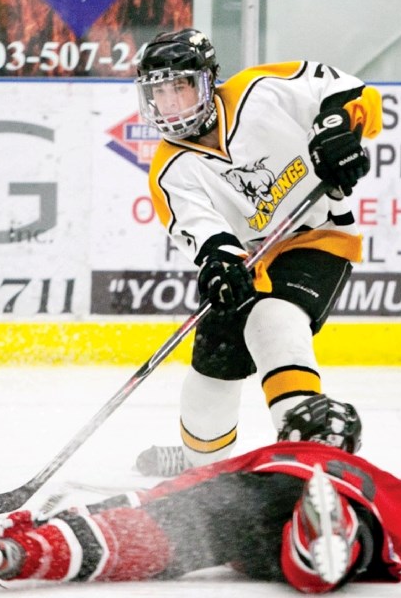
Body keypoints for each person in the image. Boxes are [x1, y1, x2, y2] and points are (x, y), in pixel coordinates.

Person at [131, 28, 383, 476]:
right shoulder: (170, 170)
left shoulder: (261, 90)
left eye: (181, 86)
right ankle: (196, 468)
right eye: (160, 93)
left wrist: (338, 131)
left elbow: (347, 90)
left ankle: (304, 443)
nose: (171, 103)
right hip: (250, 259)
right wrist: (220, 264)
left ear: (209, 80)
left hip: (318, 236)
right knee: (212, 365)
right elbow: (204, 233)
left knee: (274, 317)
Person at [0, 396, 401, 593]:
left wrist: (87, 515)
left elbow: (184, 485)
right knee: (345, 546)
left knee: (157, 538)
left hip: (246, 502)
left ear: (290, 436)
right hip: (333, 508)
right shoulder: (372, 477)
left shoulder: (267, 456)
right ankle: (323, 540)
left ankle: (22, 557)